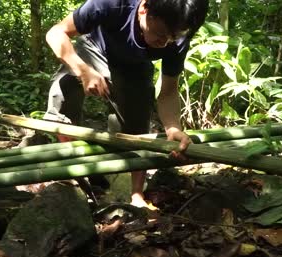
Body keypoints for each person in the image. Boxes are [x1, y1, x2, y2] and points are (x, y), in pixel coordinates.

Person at [43, 0, 209, 209]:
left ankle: (136, 194)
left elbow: (168, 91)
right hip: (96, 48)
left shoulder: (179, 36)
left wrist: (173, 127)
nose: (165, 42)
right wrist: (83, 70)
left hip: (135, 65)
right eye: (160, 33)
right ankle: (69, 170)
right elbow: (56, 33)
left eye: (173, 36)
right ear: (144, 9)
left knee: (136, 126)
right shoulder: (112, 4)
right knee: (64, 87)